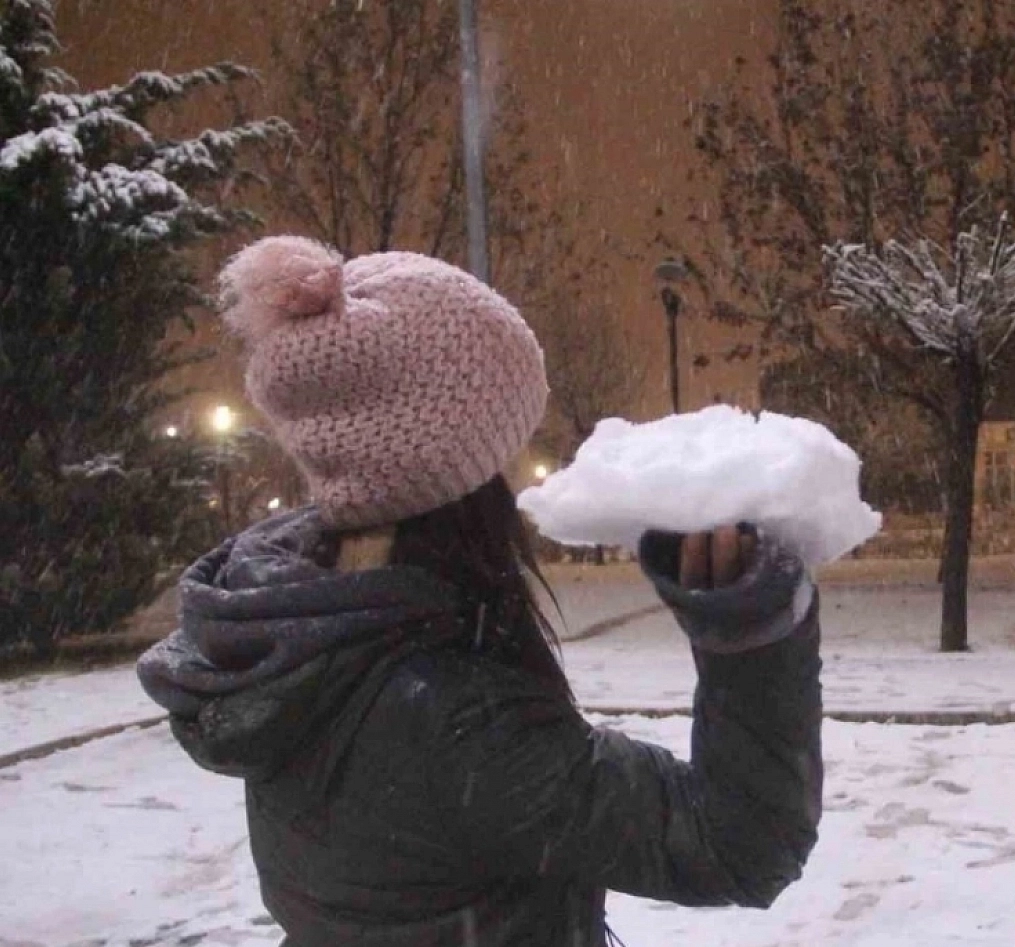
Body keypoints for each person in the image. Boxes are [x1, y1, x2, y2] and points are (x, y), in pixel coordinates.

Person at [137, 236, 823, 947]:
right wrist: (754, 633)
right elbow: (740, 844)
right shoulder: (455, 721)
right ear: (458, 475)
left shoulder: (297, 634)